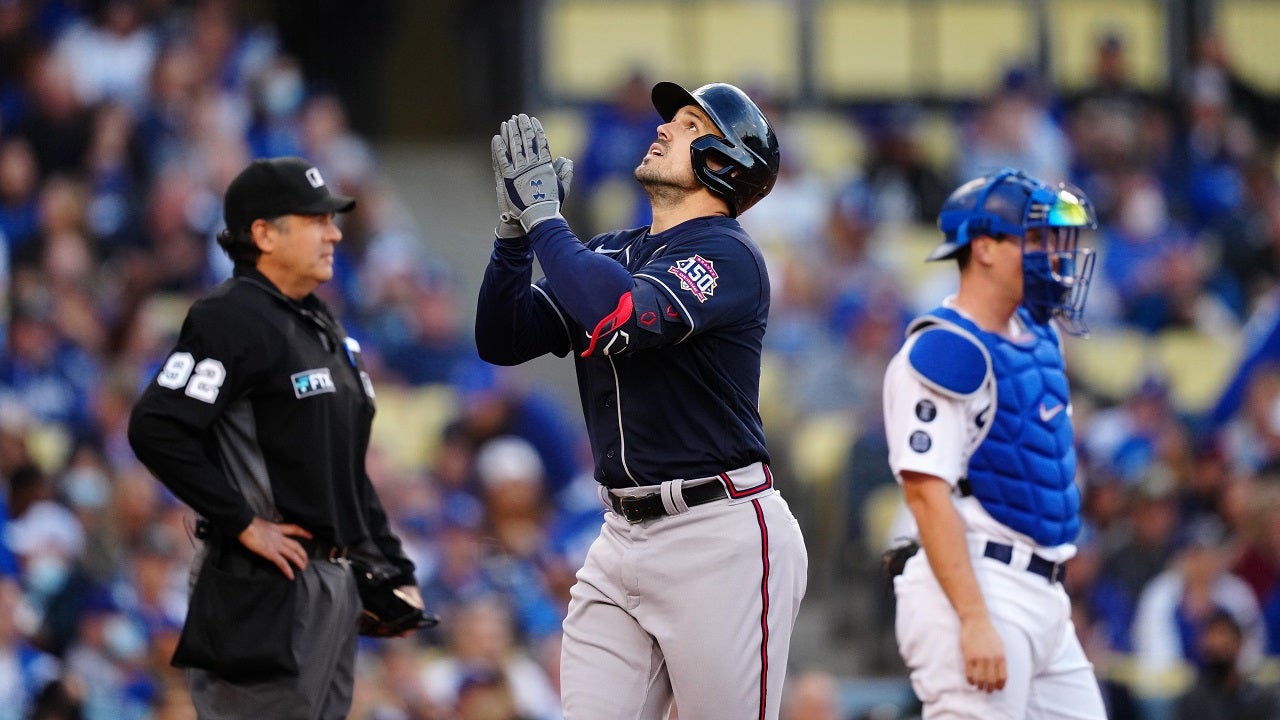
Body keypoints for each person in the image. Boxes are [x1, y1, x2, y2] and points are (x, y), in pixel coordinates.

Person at [476, 81, 808, 719]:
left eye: (687, 124)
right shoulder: (612, 249)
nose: (662, 129)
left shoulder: (728, 254)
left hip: (719, 533)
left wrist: (548, 219)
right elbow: (503, 336)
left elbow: (623, 314)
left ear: (724, 160)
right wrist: (514, 236)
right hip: (620, 535)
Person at [127, 156, 424, 719]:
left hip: (330, 583)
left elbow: (343, 468)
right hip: (263, 586)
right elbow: (156, 426)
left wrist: (391, 568)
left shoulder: (320, 322)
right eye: (315, 220)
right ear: (263, 233)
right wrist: (241, 521)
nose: (333, 232)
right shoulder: (229, 317)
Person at [881, 168, 1107, 718]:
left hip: (1046, 592)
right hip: (976, 584)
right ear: (983, 247)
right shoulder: (944, 350)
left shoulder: (1040, 339)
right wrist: (974, 618)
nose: (1052, 252)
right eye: (1034, 238)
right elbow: (925, 495)